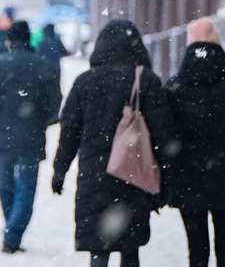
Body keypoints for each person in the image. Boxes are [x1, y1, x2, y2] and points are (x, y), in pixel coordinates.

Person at [52, 20, 177, 267]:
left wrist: (60, 169)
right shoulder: (146, 80)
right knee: (130, 249)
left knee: (99, 249)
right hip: (133, 175)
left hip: (95, 177)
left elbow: (69, 132)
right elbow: (164, 134)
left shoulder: (84, 82)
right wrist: (167, 178)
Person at [164, 18, 225, 267]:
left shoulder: (175, 87)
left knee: (197, 250)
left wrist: (165, 174)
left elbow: (164, 135)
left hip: (188, 182)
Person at [0, 20, 62, 253]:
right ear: (28, 39)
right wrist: (41, 121)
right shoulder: (42, 66)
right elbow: (54, 104)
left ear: (8, 40)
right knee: (26, 188)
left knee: (6, 184)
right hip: (31, 137)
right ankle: (14, 232)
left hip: (0, 138)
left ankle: (11, 229)